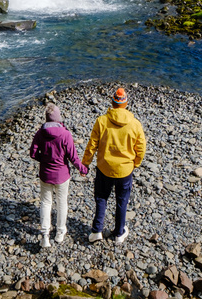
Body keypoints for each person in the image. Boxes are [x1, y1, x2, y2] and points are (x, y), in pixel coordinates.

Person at [82, 86, 146, 245]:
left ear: (112, 102)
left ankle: (96, 231)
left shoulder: (101, 121)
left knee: (101, 198)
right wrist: (135, 164)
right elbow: (141, 148)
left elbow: (92, 145)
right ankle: (119, 233)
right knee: (122, 201)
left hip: (104, 169)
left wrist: (85, 164)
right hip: (125, 171)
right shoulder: (135, 124)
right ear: (125, 104)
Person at [30, 102, 88, 248]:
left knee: (45, 202)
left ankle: (45, 235)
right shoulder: (65, 134)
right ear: (58, 118)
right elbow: (72, 157)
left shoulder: (40, 133)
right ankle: (60, 232)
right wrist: (82, 169)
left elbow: (33, 153)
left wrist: (43, 160)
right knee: (61, 203)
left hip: (45, 174)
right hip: (62, 175)